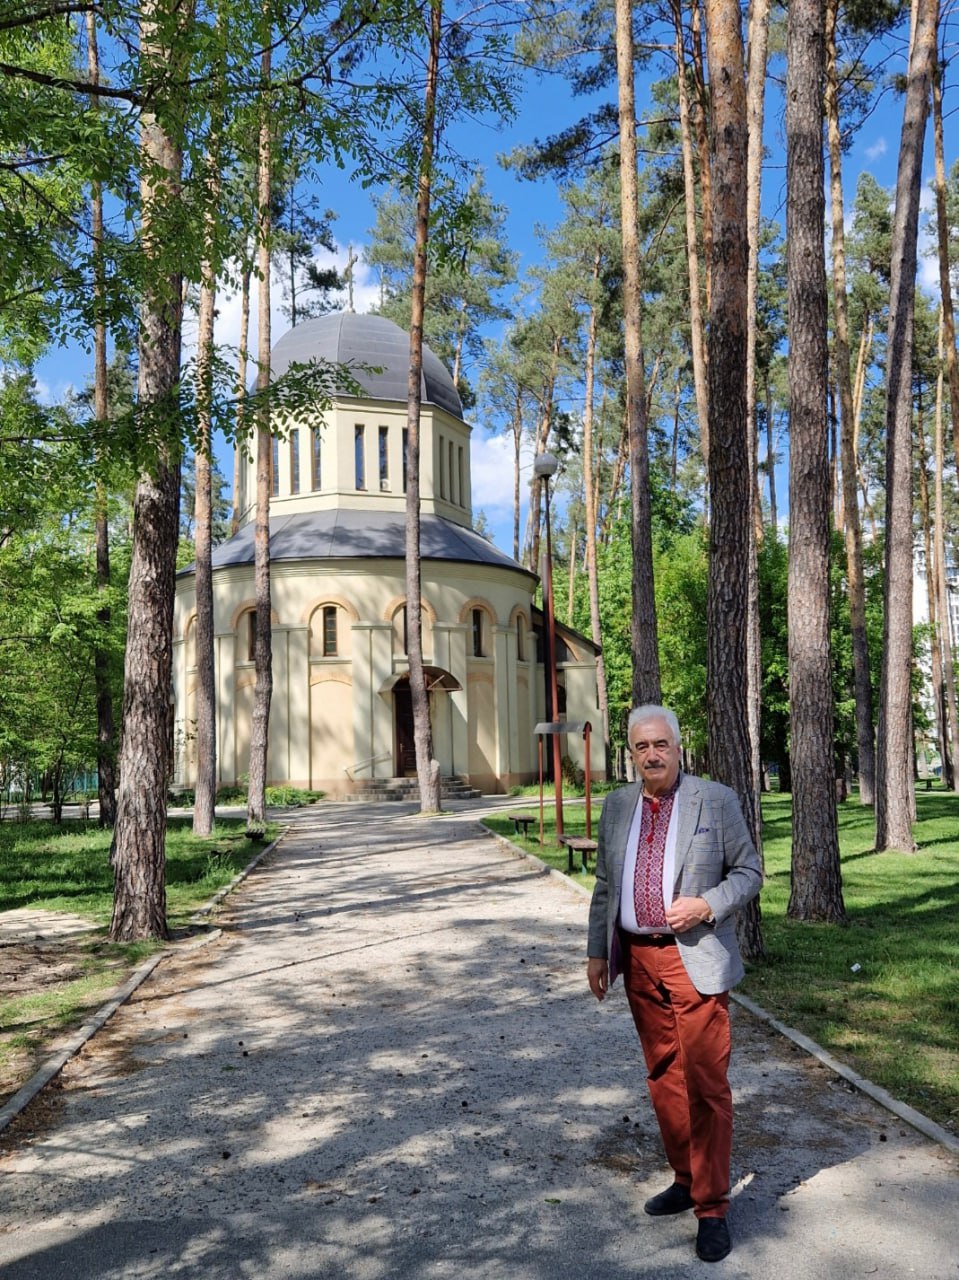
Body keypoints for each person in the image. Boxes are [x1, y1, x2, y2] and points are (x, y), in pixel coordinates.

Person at [587, 705, 762, 1264]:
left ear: (678, 747)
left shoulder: (715, 799)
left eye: (661, 744)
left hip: (696, 959)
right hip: (638, 961)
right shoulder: (618, 805)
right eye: (642, 746)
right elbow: (604, 884)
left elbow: (750, 872)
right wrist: (597, 951)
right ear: (631, 753)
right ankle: (686, 1178)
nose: (652, 755)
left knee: (706, 1082)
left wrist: (705, 904)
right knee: (663, 1073)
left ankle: (712, 1208)